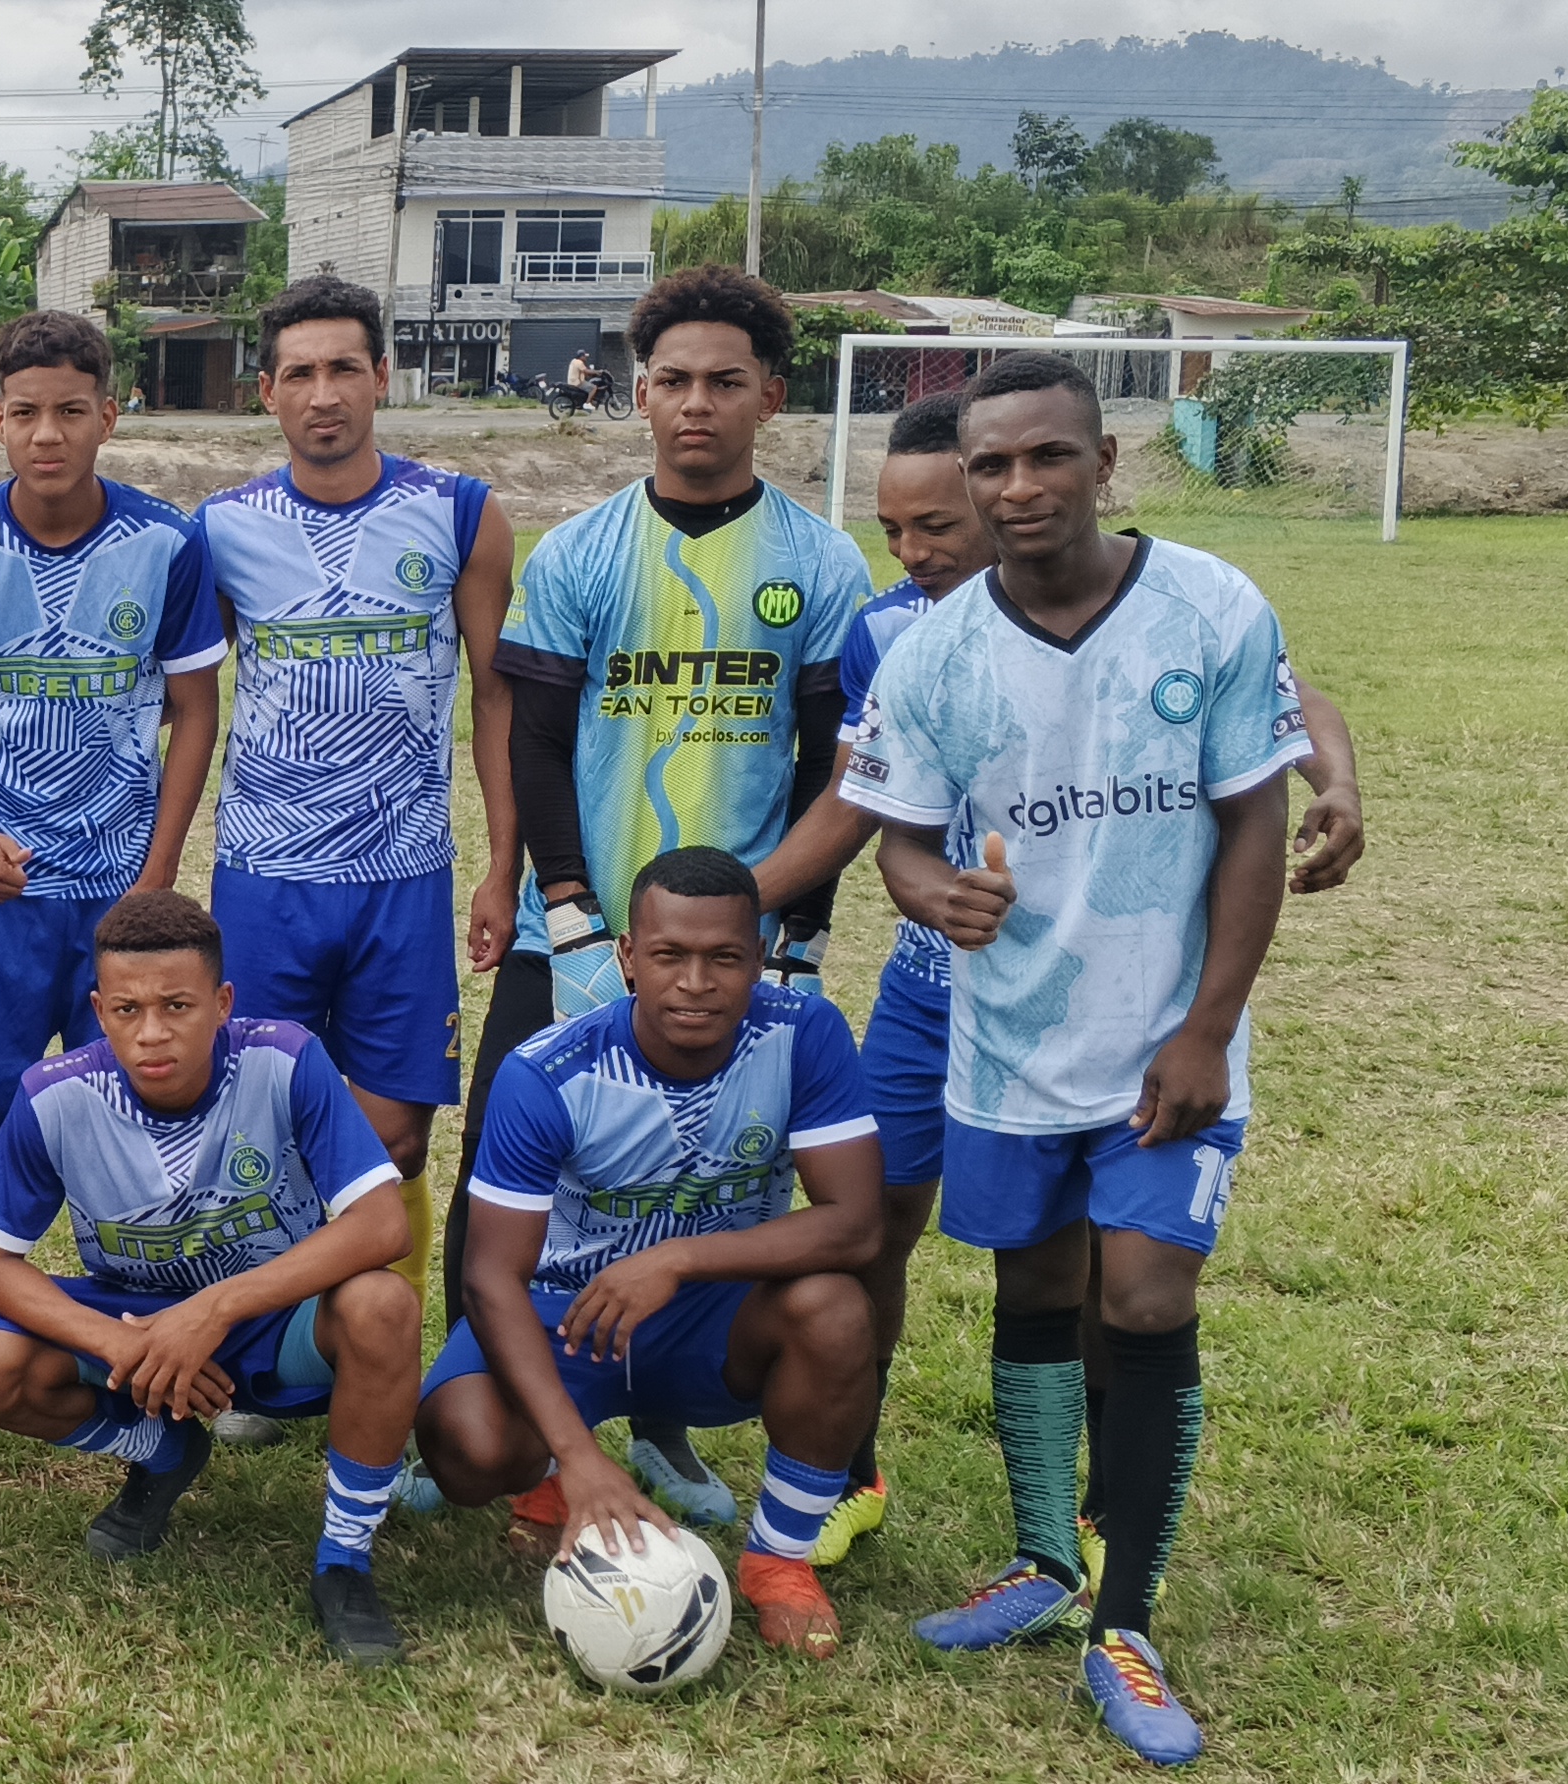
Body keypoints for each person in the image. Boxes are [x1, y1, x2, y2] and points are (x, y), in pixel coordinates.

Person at [790, 391, 1374, 1570]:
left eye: (933, 524)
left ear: (1093, 466)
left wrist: (1338, 782)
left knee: (1123, 1271)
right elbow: (876, 809)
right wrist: (868, 894)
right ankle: (860, 1478)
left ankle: (1112, 1526)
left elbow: (1286, 698)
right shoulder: (897, 637)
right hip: (938, 994)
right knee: (885, 1224)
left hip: (1112, 993)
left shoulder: (1185, 604)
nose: (914, 550)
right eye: (893, 529)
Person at [844, 350, 1310, 1767]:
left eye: (1049, 455)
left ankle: (1126, 1620)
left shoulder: (1209, 607)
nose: (1019, 485)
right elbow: (898, 840)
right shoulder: (934, 654)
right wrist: (934, 894)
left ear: (1106, 462)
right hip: (1007, 1049)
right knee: (1035, 1287)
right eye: (991, 464)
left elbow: (1253, 823)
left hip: (1164, 1044)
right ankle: (1045, 1558)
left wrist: (1207, 1029)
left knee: (1147, 1297)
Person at [466, 266, 873, 1531]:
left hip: (737, 945)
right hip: (578, 930)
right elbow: (535, 738)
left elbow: (832, 760)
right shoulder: (580, 549)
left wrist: (793, 929)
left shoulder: (820, 560)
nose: (697, 403)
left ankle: (665, 1416)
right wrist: (569, 905)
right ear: (638, 394)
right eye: (674, 380)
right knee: (506, 1167)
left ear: (771, 397)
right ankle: (516, 1412)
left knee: (715, 1180)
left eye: (724, 382)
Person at [0, 308, 224, 1449]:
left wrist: (157, 874)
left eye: (71, 411)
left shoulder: (167, 544)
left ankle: (173, 1339)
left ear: (107, 416)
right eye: (25, 412)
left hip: (120, 894)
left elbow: (193, 710)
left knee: (145, 1104)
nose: (47, 434)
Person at [413, 846, 888, 1660]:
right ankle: (554, 1481)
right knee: (468, 1444)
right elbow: (490, 1278)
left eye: (724, 958)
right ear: (630, 957)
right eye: (670, 955)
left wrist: (678, 1260)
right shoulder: (550, 1073)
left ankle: (779, 1560)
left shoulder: (804, 1034)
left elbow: (857, 1226)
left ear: (758, 955)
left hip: (715, 1318)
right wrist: (579, 1457)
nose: (695, 982)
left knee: (837, 1310)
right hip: (565, 1313)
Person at [0, 891, 422, 1667]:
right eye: (127, 1009)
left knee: (383, 1304)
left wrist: (213, 1310)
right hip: (133, 1319)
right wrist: (124, 1343)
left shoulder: (285, 1060)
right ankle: (163, 1452)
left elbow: (381, 1226)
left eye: (177, 1005)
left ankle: (344, 1561)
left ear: (222, 1002)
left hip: (273, 1315)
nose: (152, 1032)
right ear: (99, 1011)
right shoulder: (54, 1096)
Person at [194, 274, 515, 1371]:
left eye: (343, 368)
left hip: (402, 872)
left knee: (395, 1136)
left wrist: (501, 866)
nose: (322, 394)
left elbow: (495, 697)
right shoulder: (223, 530)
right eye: (299, 374)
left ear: (382, 376)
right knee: (262, 1119)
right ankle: (276, 1352)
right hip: (265, 873)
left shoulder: (461, 512)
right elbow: (190, 696)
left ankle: (377, 1356)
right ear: (267, 393)